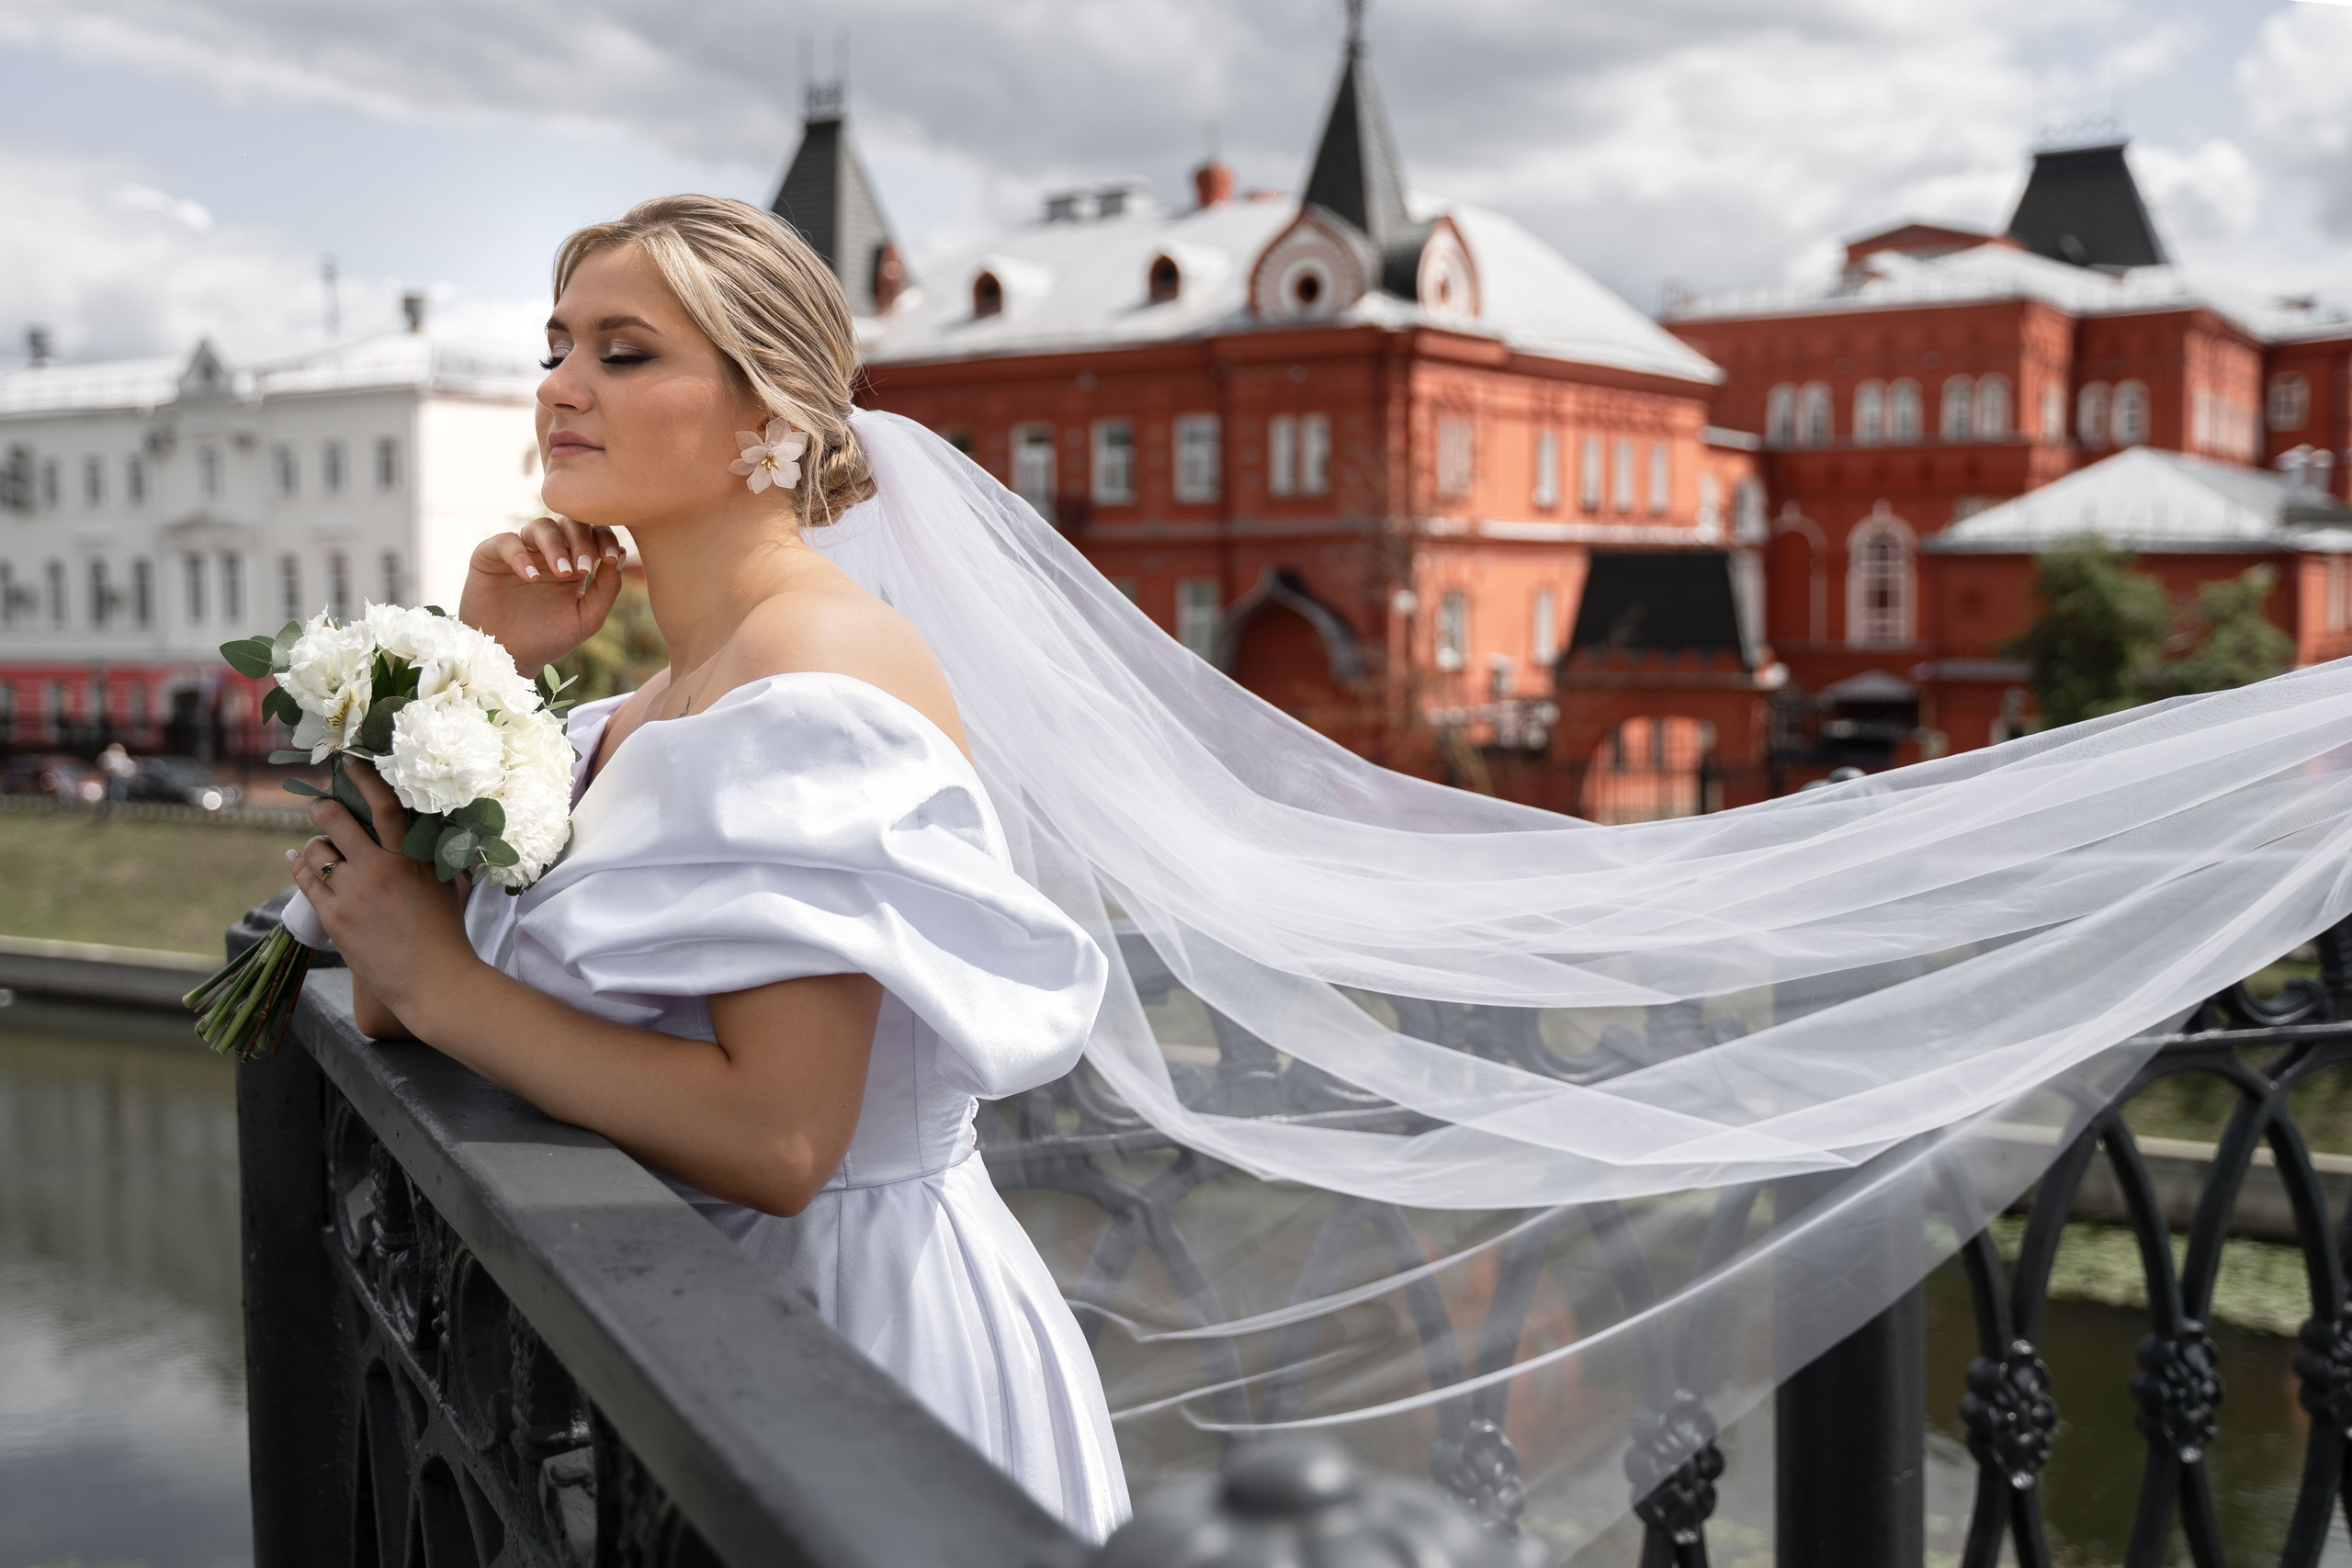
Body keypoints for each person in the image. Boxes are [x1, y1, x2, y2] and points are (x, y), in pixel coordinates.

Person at [283, 196, 1128, 1540]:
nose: (559, 385)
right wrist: (480, 660)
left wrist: (447, 986)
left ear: (769, 410)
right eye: (556, 345)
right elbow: (383, 983)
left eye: (624, 353)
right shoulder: (636, 707)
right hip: (667, 1369)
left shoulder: (818, 676)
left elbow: (782, 1138)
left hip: (853, 1364)